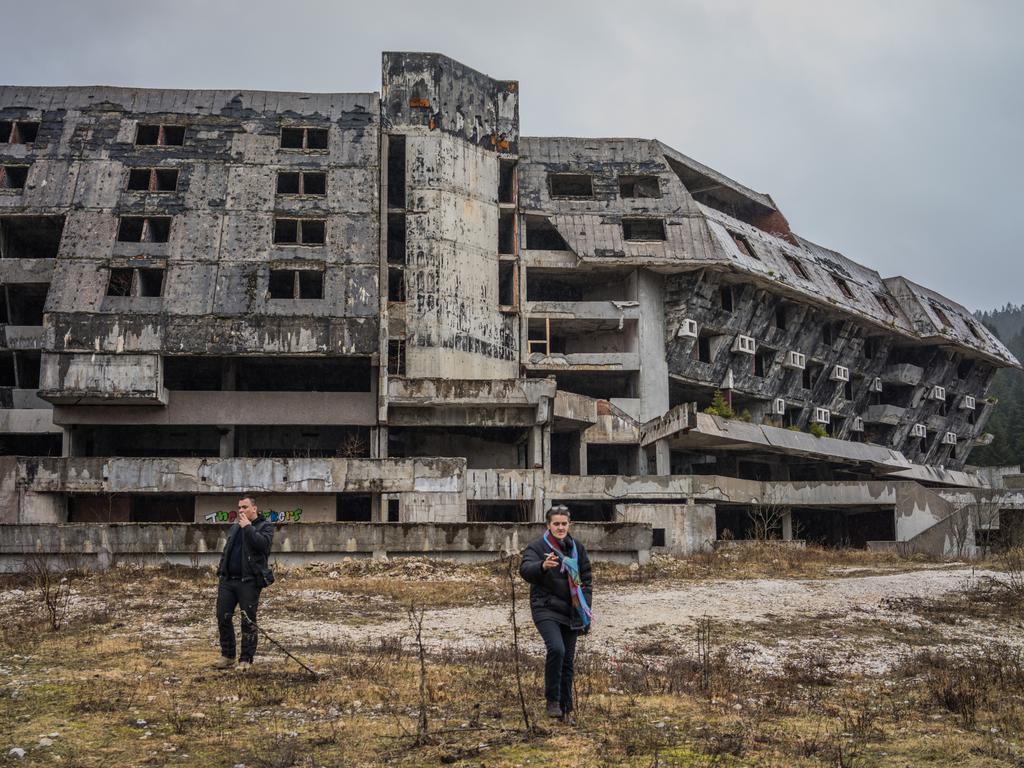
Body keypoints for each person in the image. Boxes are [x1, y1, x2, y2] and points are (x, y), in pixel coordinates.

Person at [519, 505, 592, 724]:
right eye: (556, 524)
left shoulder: (577, 549)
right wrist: (542, 566)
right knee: (556, 649)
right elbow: (525, 570)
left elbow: (586, 581)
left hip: (572, 610)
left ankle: (566, 709)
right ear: (548, 525)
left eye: (564, 523)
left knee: (568, 661)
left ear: (570, 525)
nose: (560, 527)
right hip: (545, 608)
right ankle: (552, 700)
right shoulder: (538, 547)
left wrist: (585, 612)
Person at [212, 495, 274, 671]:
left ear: (254, 508)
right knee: (222, 616)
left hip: (248, 582)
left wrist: (248, 527)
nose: (241, 511)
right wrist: (222, 570)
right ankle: (228, 655)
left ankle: (246, 659)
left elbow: (262, 546)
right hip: (228, 581)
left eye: (245, 507)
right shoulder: (235, 527)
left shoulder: (265, 527)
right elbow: (227, 549)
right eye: (239, 508)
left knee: (247, 621)